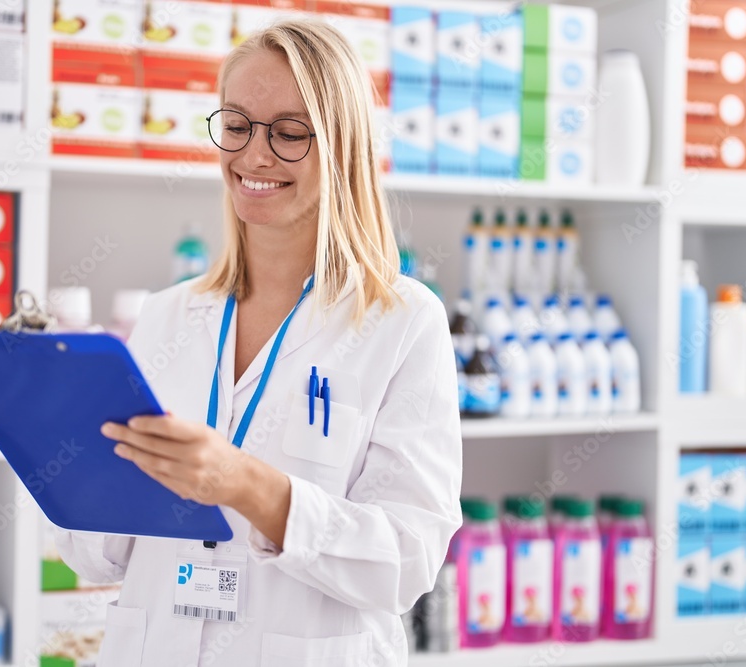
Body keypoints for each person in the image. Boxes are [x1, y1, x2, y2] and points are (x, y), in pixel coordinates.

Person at [55, 18, 462, 667]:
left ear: (342, 145)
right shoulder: (166, 315)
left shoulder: (404, 320)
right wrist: (73, 469)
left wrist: (250, 487)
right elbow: (92, 552)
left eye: (290, 133)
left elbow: (406, 561)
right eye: (238, 125)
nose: (254, 156)